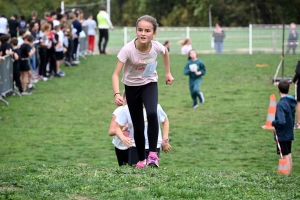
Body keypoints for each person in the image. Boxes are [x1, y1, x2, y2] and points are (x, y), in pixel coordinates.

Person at [112, 15, 174, 168]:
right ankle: (141, 160)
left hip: (149, 83)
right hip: (131, 87)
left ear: (154, 33)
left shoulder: (156, 46)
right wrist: (117, 94)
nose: (143, 34)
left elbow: (165, 52)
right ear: (136, 31)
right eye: (140, 30)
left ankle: (153, 155)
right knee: (138, 125)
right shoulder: (127, 50)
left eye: (147, 31)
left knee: (152, 112)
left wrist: (168, 73)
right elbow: (115, 74)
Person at [272, 80, 296, 175]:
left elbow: (281, 121)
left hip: (283, 134)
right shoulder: (290, 102)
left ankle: (286, 177)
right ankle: (289, 176)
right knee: (289, 155)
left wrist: (273, 122)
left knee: (285, 156)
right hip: (289, 132)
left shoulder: (281, 105)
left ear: (278, 90)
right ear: (289, 90)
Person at [108, 92, 129, 166]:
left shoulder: (139, 111)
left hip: (133, 146)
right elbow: (111, 132)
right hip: (120, 146)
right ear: (123, 99)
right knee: (123, 168)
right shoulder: (118, 111)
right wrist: (124, 128)